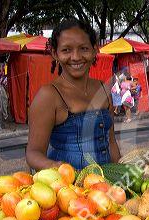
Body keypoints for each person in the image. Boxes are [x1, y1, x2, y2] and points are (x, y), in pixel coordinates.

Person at [26, 18, 121, 171]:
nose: (76, 57)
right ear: (55, 53)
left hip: (104, 188)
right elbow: (33, 153)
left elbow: (111, 142)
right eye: (66, 50)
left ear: (94, 49)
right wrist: (55, 166)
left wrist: (122, 178)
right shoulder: (49, 96)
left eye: (84, 48)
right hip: (67, 190)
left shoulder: (102, 89)